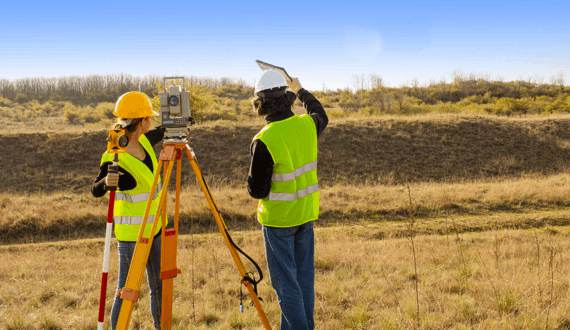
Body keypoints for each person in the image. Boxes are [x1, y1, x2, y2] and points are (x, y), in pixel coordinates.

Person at [248, 69, 328, 330]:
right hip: (305, 215)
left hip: (279, 222)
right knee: (303, 280)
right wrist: (300, 90)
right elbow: (321, 114)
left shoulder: (265, 139)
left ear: (259, 104)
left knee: (286, 285)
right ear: (288, 98)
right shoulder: (307, 124)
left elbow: (258, 191)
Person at [91, 91, 166, 330]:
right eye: (149, 117)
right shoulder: (115, 155)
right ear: (142, 120)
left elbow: (159, 133)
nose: (151, 121)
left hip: (154, 227)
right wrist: (106, 183)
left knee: (159, 286)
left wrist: (179, 125)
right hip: (131, 235)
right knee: (126, 291)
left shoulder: (143, 139)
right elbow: (95, 189)